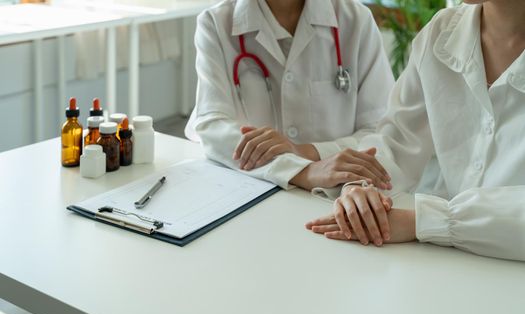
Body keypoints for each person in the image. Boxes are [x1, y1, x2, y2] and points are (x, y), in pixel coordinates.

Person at [306, 0, 525, 261]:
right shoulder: (441, 33)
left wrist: (424, 221)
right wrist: (360, 188)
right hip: (450, 265)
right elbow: (395, 143)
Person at [185, 0, 395, 191]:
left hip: (342, 192)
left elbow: (381, 132)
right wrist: (301, 171)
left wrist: (308, 152)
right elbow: (212, 126)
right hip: (255, 190)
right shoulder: (216, 22)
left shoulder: (356, 20)